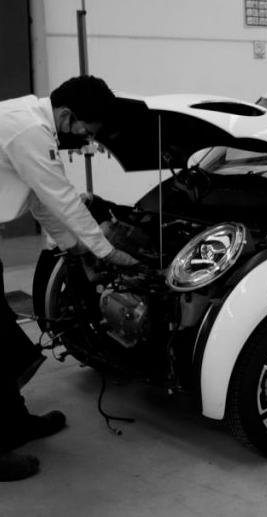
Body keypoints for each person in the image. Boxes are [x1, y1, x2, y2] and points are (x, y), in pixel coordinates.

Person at [0, 75, 139, 481]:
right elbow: (62, 197)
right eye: (85, 131)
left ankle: (15, 423)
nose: (85, 140)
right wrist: (105, 251)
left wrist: (75, 248)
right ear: (66, 116)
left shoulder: (32, 124)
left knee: (5, 342)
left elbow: (42, 202)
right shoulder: (29, 130)